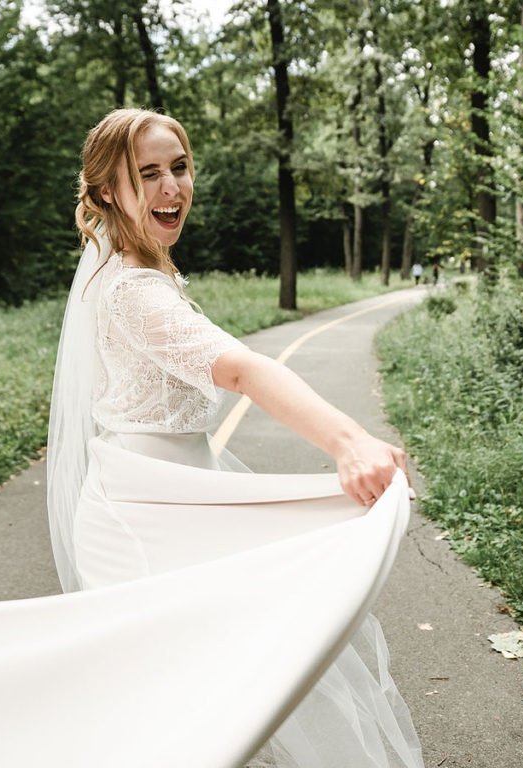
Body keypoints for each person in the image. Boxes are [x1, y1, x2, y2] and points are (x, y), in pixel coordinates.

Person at [47, 108, 424, 767]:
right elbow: (245, 369)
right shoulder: (134, 292)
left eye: (181, 168)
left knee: (229, 691)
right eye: (149, 174)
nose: (173, 187)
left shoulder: (139, 270)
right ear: (108, 190)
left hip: (173, 494)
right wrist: (348, 441)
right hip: (144, 519)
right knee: (199, 705)